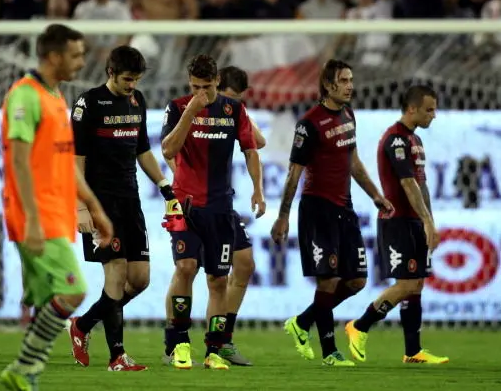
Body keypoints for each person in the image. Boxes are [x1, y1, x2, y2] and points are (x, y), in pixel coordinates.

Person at [0, 24, 113, 391]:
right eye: (76, 55)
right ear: (53, 56)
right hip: (34, 216)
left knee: (47, 300)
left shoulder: (56, 96)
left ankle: (25, 373)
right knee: (73, 291)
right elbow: (18, 162)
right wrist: (31, 219)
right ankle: (23, 367)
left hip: (53, 214)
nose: (82, 62)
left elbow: (64, 163)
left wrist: (94, 206)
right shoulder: (25, 97)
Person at [270, 59, 394, 367]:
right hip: (317, 209)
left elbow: (353, 161)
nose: (350, 85)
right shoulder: (309, 123)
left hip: (345, 208)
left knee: (356, 281)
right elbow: (293, 173)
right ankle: (330, 352)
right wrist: (283, 215)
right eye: (344, 80)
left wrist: (376, 195)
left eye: (351, 79)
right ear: (328, 85)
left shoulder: (349, 115)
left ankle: (302, 322)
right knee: (328, 280)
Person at [66, 45, 183, 371]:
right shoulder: (88, 103)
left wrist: (165, 187)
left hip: (130, 200)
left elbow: (143, 149)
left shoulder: (137, 101)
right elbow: (75, 161)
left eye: (136, 79)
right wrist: (80, 207)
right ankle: (117, 356)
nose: (132, 85)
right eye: (127, 79)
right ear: (111, 73)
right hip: (100, 202)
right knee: (115, 275)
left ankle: (83, 325)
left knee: (140, 279)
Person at [160, 55, 266, 370]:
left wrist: (258, 189)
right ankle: (179, 344)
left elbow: (251, 149)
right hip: (185, 206)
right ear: (188, 83)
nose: (201, 93)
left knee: (218, 280)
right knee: (186, 268)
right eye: (195, 87)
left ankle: (214, 351)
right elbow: (168, 149)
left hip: (221, 208)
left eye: (206, 87)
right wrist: (191, 112)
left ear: (217, 81)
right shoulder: (178, 107)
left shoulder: (234, 110)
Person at [345, 85, 449, 364]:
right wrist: (426, 220)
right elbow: (406, 183)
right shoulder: (395, 140)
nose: (434, 115)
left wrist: (430, 221)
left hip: (415, 221)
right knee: (405, 284)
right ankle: (359, 326)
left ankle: (413, 352)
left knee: (416, 287)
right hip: (397, 222)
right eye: (429, 109)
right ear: (412, 108)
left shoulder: (415, 140)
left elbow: (421, 184)